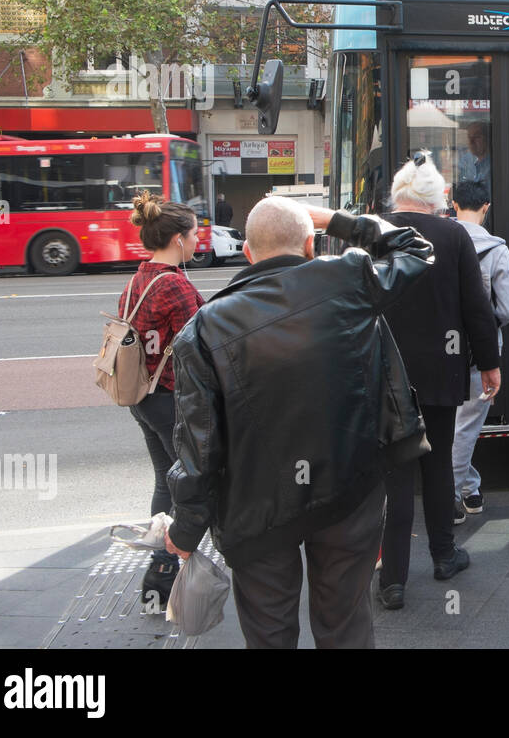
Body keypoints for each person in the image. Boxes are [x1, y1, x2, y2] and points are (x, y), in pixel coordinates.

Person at [164, 196, 433, 647]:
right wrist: (339, 221)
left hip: (255, 509)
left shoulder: (205, 328)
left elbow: (199, 445)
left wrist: (186, 527)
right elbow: (414, 248)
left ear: (247, 252)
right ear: (311, 244)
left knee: (269, 635)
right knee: (345, 623)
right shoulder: (348, 278)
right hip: (348, 486)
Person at [379, 152, 501, 610]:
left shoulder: (376, 233)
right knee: (437, 463)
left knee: (394, 474)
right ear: (436, 200)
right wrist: (489, 363)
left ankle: (392, 579)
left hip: (386, 377)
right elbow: (477, 307)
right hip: (441, 370)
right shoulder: (453, 235)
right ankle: (444, 555)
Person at [121, 192, 205, 609]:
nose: (197, 241)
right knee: (189, 485)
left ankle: (158, 577)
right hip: (171, 399)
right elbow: (200, 343)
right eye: (193, 234)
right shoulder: (175, 283)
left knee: (164, 482)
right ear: (176, 239)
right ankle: (170, 572)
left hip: (143, 397)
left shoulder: (141, 276)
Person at [450, 180, 509, 523]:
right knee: (466, 426)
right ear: (486, 207)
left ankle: (470, 489)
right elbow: (507, 309)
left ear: (453, 203)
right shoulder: (496, 250)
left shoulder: (439, 241)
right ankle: (448, 497)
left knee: (451, 426)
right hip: (482, 352)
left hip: (441, 348)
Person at [458, 122, 492, 199]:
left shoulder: (494, 166)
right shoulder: (469, 161)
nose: (471, 142)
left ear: (488, 138)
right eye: (469, 137)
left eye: (477, 137)